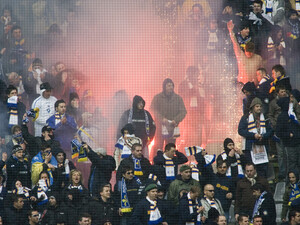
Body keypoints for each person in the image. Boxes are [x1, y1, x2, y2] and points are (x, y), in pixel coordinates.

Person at [150, 78, 187, 157]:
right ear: (164, 87)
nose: (170, 87)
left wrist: (176, 120)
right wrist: (161, 119)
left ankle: (170, 162)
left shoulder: (178, 98)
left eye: (172, 86)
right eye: (168, 85)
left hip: (172, 127)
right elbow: (153, 109)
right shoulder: (158, 97)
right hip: (160, 127)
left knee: (170, 146)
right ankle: (157, 163)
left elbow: (183, 111)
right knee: (158, 145)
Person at [238, 97, 273, 177]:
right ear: (252, 107)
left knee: (262, 169)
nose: (259, 108)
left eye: (260, 106)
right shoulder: (246, 118)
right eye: (257, 106)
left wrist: (263, 136)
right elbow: (240, 130)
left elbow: (271, 131)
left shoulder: (265, 118)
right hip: (250, 147)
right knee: (251, 167)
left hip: (262, 146)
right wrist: (253, 135)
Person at [227, 20, 263, 84]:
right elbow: (235, 42)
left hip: (254, 86)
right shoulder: (240, 55)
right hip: (242, 85)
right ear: (245, 49)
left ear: (254, 51)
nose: (249, 53)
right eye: (248, 51)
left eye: (251, 51)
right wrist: (230, 30)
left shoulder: (258, 58)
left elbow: (263, 73)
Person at [276, 97, 300, 174]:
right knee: (291, 165)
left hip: (297, 142)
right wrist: (288, 135)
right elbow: (278, 132)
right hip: (289, 145)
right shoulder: (282, 116)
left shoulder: (292, 114)